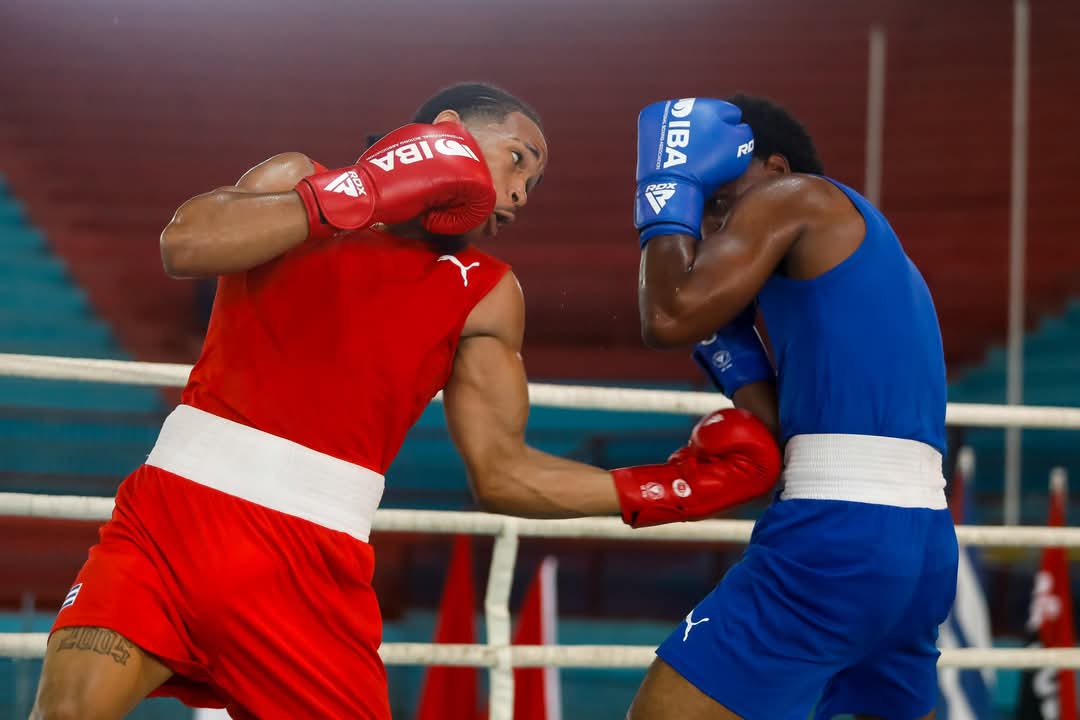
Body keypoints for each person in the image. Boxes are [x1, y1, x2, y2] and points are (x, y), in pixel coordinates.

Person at [30, 83, 783, 720]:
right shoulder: (299, 178)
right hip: (168, 523)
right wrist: (355, 193)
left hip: (312, 574)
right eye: (518, 160)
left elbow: (501, 473)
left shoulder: (487, 291)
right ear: (448, 136)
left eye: (534, 184)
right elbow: (184, 244)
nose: (520, 193)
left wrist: (670, 487)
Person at [626, 95, 959, 720]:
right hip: (922, 544)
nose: (717, 231)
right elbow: (778, 427)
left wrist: (666, 188)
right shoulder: (861, 258)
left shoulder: (799, 197)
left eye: (722, 202)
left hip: (836, 534)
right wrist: (731, 351)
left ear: (775, 172)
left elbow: (666, 311)